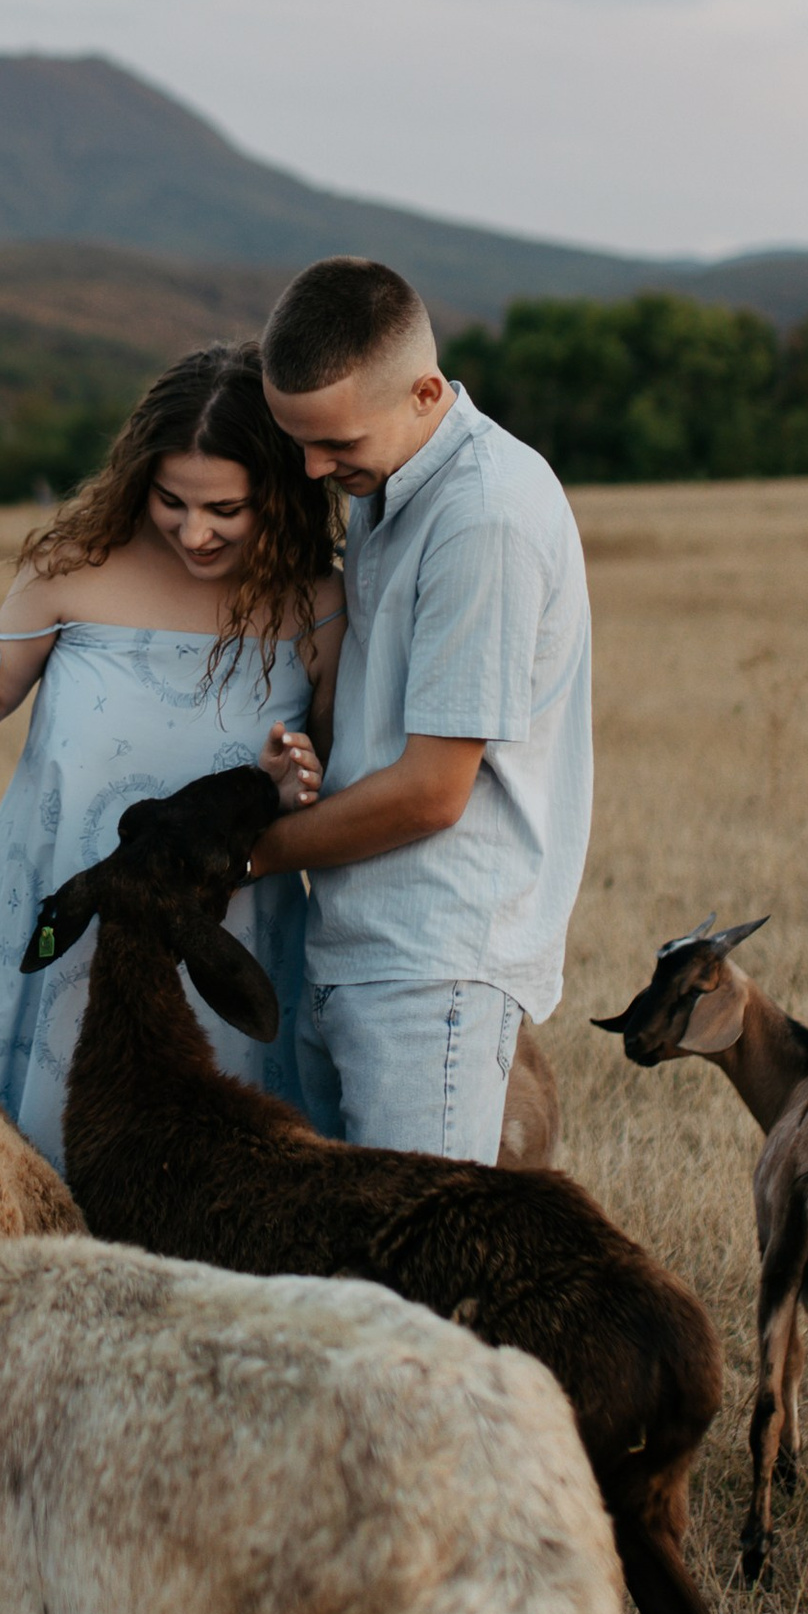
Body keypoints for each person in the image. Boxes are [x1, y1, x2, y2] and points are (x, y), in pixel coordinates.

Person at [0, 341, 339, 1170]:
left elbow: (328, 763)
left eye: (226, 511)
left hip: (215, 934)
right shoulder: (74, 566)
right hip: (49, 915)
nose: (195, 533)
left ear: (277, 494)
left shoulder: (315, 604)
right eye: (173, 501)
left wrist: (286, 785)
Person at [247, 254, 593, 1168]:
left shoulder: (485, 517)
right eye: (300, 442)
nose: (315, 468)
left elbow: (433, 790)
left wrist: (241, 855)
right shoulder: (389, 480)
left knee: (417, 1288)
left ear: (425, 391)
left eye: (337, 446)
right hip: (360, 937)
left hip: (433, 960)